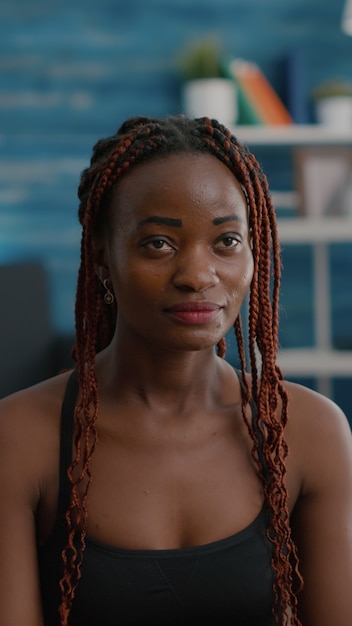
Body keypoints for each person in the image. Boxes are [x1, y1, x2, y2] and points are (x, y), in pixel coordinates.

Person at [0, 115, 351, 626]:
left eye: (226, 241)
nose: (197, 276)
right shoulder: (19, 440)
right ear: (102, 257)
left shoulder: (311, 433)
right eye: (158, 243)